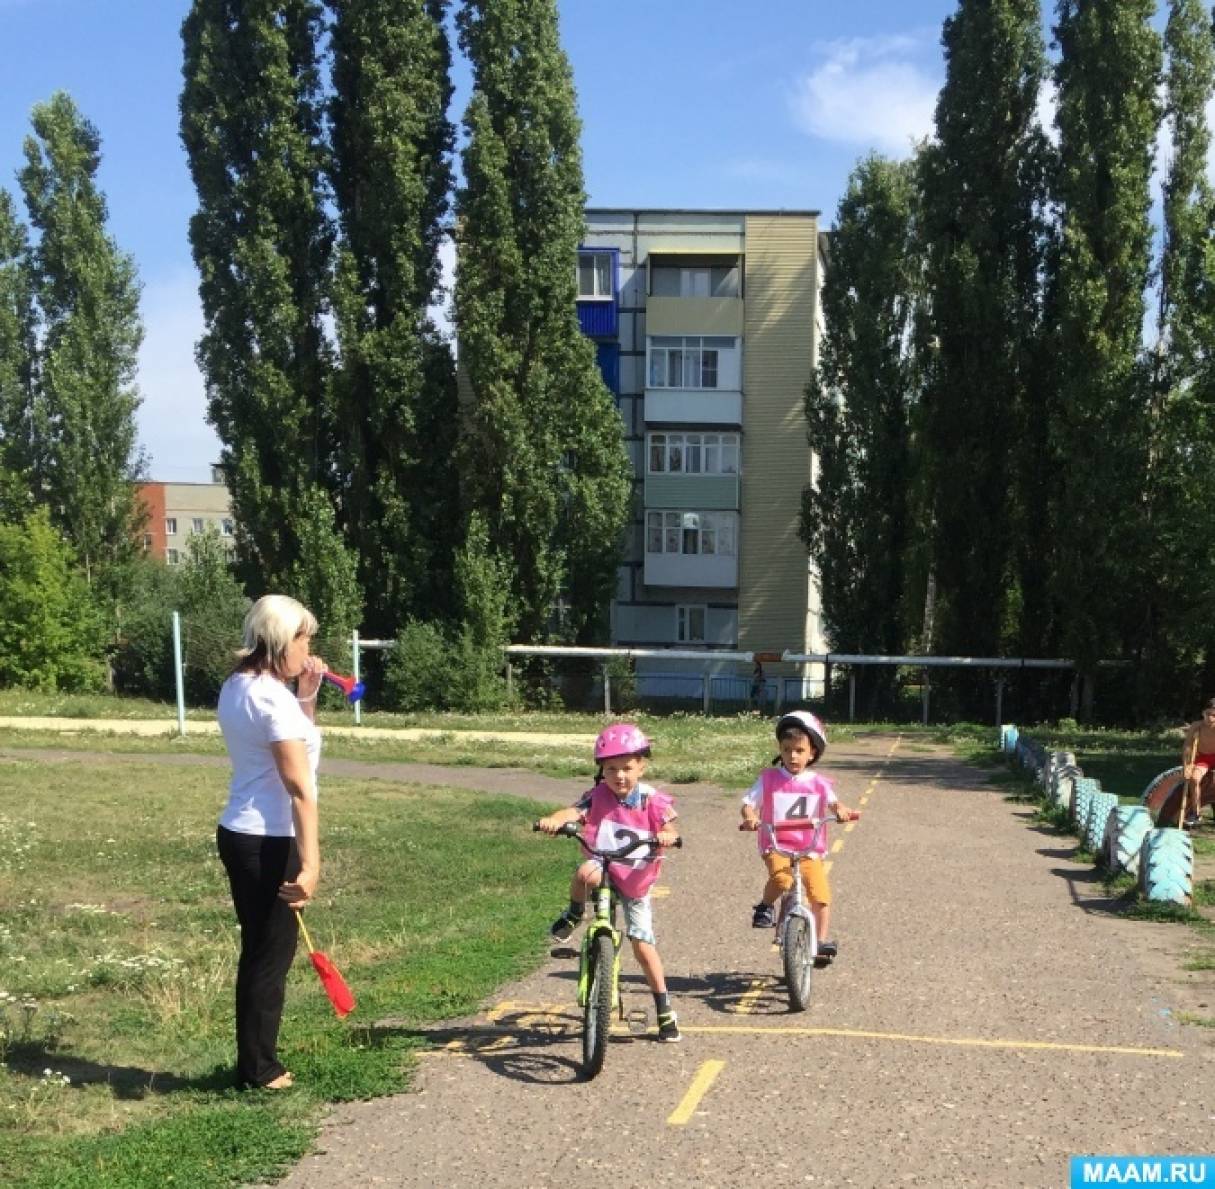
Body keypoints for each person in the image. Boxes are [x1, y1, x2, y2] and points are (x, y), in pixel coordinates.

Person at [216, 594, 326, 1090]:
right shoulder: (270, 698)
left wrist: (307, 695)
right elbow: (300, 786)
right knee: (269, 954)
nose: (309, 647)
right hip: (268, 838)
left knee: (260, 948)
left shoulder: (240, 686)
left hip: (243, 829)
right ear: (282, 640)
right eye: (304, 638)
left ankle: (255, 1061)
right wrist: (311, 864)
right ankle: (259, 1071)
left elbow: (301, 746)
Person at [536, 723, 682, 1043]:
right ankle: (574, 913)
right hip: (604, 866)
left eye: (627, 768)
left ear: (641, 766)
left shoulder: (652, 800)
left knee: (642, 944)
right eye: (611, 769)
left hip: (636, 880)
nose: (619, 776)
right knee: (584, 874)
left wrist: (667, 836)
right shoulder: (598, 795)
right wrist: (556, 820)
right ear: (601, 769)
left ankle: (664, 1007)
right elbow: (573, 811)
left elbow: (671, 826)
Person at [740, 710, 859, 962]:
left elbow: (835, 804)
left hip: (809, 848)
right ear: (780, 750)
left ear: (812, 753)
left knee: (821, 895)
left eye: (799, 750)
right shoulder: (769, 778)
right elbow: (748, 803)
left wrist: (842, 811)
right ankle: (764, 906)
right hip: (777, 845)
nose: (793, 756)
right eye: (787, 750)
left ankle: (820, 942)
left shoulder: (819, 783)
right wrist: (750, 817)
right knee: (783, 880)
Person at [1180, 698, 1215, 828]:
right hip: (1204, 759)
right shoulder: (1196, 726)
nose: (1211, 718)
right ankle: (1196, 813)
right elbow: (1187, 747)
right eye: (1208, 714)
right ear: (1203, 713)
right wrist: (1186, 765)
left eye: (1214, 715)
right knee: (1194, 779)